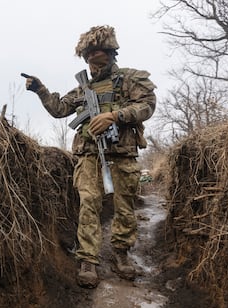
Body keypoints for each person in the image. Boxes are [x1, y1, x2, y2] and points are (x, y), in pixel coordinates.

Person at [21, 25, 156, 288]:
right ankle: (88, 260)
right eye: (88, 57)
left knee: (124, 206)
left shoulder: (130, 79)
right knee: (89, 204)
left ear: (111, 53)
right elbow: (60, 110)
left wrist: (113, 116)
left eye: (98, 55)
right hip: (89, 156)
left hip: (121, 154)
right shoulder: (82, 89)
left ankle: (121, 254)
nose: (93, 62)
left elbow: (147, 105)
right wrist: (41, 90)